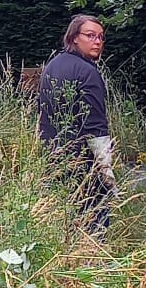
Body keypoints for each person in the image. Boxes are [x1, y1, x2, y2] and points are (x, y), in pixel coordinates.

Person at [37, 14, 114, 235]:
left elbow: (42, 112)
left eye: (100, 37)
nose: (97, 41)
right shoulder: (88, 72)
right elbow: (95, 127)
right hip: (83, 163)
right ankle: (93, 253)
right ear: (73, 37)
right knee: (94, 222)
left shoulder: (52, 66)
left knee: (62, 222)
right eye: (90, 35)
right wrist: (106, 171)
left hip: (52, 156)